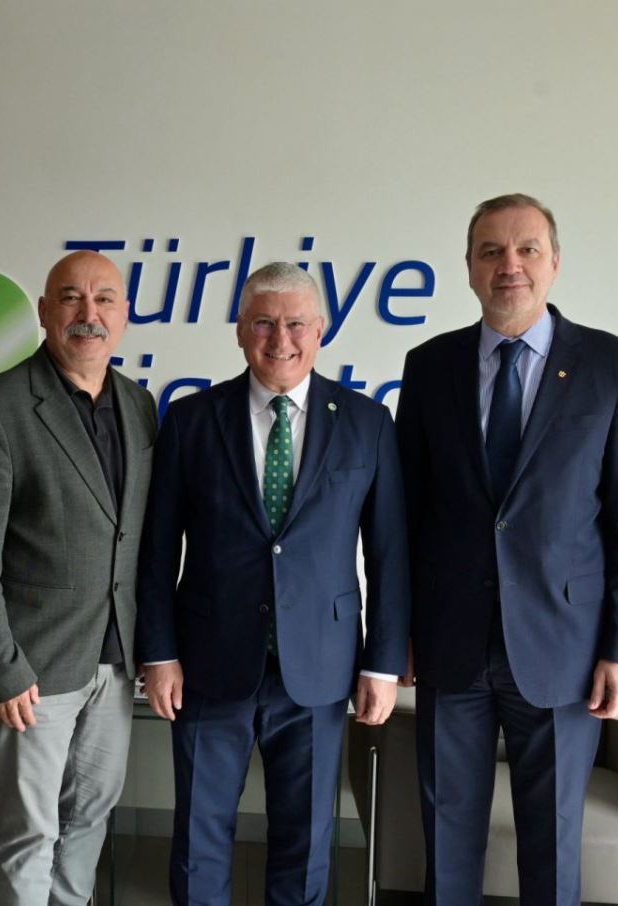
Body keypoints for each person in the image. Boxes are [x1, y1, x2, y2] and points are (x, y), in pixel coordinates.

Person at [395, 194, 618, 904]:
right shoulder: (429, 366)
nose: (509, 265)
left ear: (555, 263)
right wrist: (398, 633)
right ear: (469, 268)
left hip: (564, 645)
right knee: (447, 835)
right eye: (491, 252)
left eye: (527, 249)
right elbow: (406, 515)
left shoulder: (612, 366)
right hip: (449, 642)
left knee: (553, 840)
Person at [136, 261, 409, 906]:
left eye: (295, 324)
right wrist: (159, 652)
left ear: (320, 330)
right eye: (263, 323)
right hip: (207, 664)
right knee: (199, 837)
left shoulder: (367, 423)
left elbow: (390, 554)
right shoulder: (192, 419)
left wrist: (382, 664)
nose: (280, 339)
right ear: (239, 330)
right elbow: (155, 549)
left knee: (306, 842)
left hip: (320, 669)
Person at [0, 250, 156, 905]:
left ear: (124, 315)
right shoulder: (1, 408)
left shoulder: (139, 406)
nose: (88, 313)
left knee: (89, 821)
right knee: (31, 835)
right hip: (33, 669)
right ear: (44, 311)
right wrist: (0, 667)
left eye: (104, 299)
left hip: (115, 660)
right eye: (70, 297)